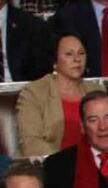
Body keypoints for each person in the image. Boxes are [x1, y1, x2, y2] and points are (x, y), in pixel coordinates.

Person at [16, 32, 94, 161]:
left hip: (92, 164)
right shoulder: (34, 93)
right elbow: (31, 142)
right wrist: (64, 162)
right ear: (55, 61)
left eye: (81, 53)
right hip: (49, 165)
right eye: (69, 54)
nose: (77, 59)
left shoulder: (96, 90)